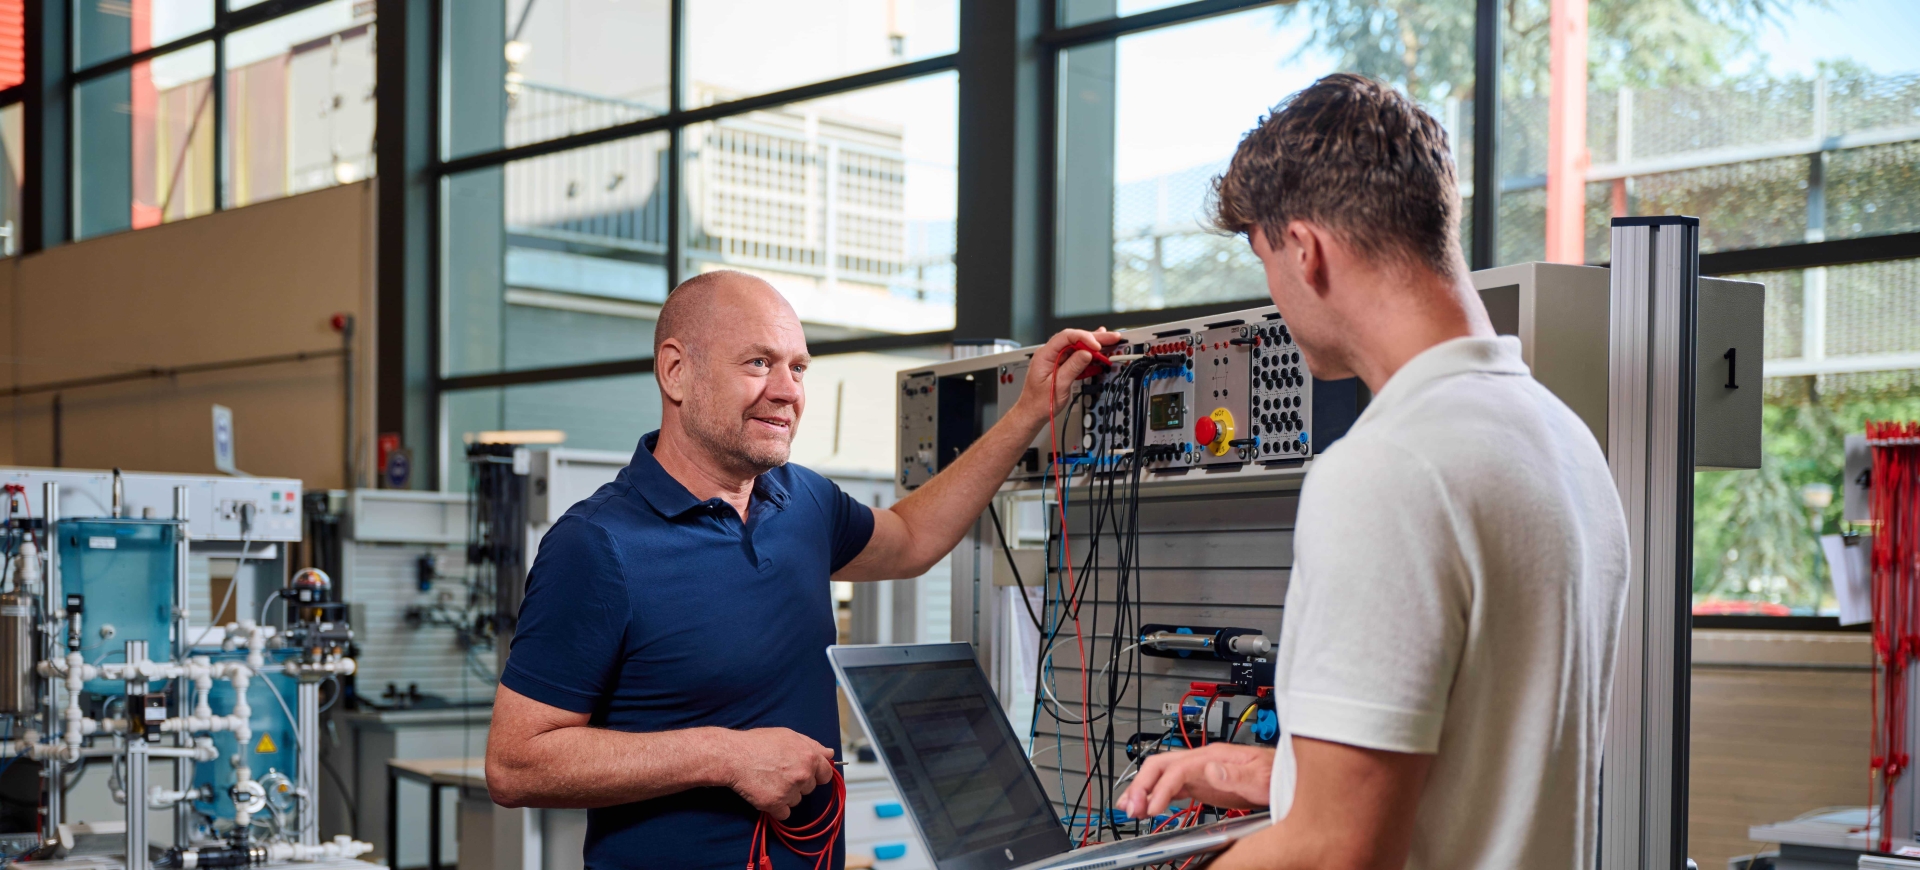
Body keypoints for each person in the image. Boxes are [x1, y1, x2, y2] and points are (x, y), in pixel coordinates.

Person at [1115, 73, 1630, 870]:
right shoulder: (1563, 441)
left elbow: (1335, 852)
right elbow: (1480, 763)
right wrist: (1267, 773)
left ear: (1305, 250)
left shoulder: (1387, 468)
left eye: (1265, 262)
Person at [483, 269, 1121, 869]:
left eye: (798, 367)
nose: (788, 390)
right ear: (676, 371)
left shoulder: (803, 500)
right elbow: (515, 764)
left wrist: (1028, 413)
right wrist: (725, 754)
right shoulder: (597, 545)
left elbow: (911, 538)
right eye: (759, 363)